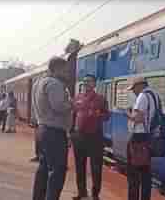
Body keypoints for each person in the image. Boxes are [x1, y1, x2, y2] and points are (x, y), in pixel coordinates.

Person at [32, 56, 72, 200]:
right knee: (58, 171)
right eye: (65, 70)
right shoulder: (54, 83)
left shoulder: (38, 83)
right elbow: (58, 107)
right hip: (54, 132)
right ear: (57, 69)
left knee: (43, 168)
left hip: (42, 129)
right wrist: (73, 104)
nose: (67, 74)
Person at [70, 74, 110, 200]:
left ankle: (95, 194)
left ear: (94, 84)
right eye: (85, 81)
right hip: (79, 136)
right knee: (79, 166)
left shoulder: (101, 99)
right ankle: (81, 192)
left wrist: (99, 114)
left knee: (96, 167)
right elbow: (73, 116)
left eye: (89, 81)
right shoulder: (77, 98)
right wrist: (71, 133)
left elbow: (107, 116)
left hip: (95, 137)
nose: (86, 83)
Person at [126, 76, 160, 200]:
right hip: (148, 137)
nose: (133, 92)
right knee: (146, 173)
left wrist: (128, 113)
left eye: (133, 88)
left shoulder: (142, 96)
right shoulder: (155, 94)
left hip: (138, 138)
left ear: (140, 85)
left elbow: (138, 118)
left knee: (133, 174)